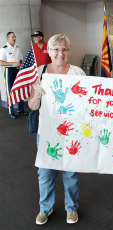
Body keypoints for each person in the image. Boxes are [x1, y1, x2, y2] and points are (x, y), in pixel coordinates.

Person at [28, 34, 86, 225]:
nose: (60, 53)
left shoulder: (78, 73)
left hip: (72, 131)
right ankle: (45, 208)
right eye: (56, 49)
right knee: (45, 173)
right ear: (49, 51)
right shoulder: (39, 72)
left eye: (64, 49)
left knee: (71, 173)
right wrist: (37, 96)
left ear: (69, 52)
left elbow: (87, 103)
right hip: (47, 132)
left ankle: (71, 207)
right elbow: (32, 106)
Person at [0, 32, 27, 119]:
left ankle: (20, 110)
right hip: (9, 71)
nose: (14, 38)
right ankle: (11, 112)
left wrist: (20, 65)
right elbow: (1, 62)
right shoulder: (4, 49)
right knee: (10, 91)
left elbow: (20, 59)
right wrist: (13, 63)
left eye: (15, 37)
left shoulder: (17, 48)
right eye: (12, 37)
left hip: (17, 71)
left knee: (20, 90)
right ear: (8, 38)